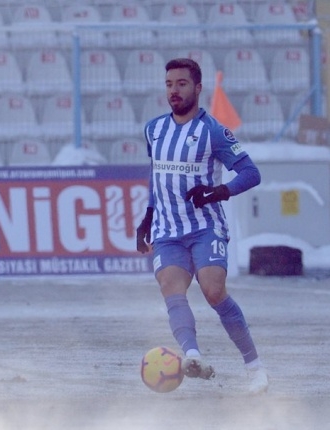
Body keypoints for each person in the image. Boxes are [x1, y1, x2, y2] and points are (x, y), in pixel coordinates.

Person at [135, 58, 269, 394]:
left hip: (204, 227)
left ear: (197, 88)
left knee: (212, 291)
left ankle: (254, 367)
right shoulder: (154, 129)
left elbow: (251, 173)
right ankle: (192, 356)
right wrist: (147, 218)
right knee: (171, 288)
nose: (174, 91)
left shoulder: (214, 132)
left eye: (181, 84)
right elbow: (157, 176)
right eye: (168, 84)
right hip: (167, 230)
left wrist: (218, 192)